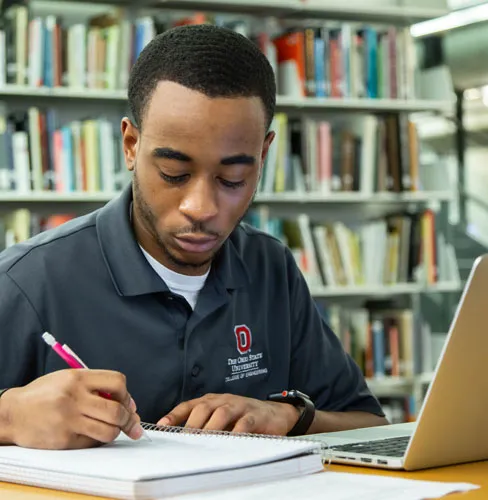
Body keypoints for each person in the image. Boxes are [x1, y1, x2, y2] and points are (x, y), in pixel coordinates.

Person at [0, 24, 387, 450]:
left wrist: (289, 417)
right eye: (174, 175)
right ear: (130, 145)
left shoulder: (270, 268)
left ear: (263, 155)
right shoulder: (27, 280)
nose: (201, 208)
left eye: (233, 178)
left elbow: (369, 424)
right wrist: (10, 417)